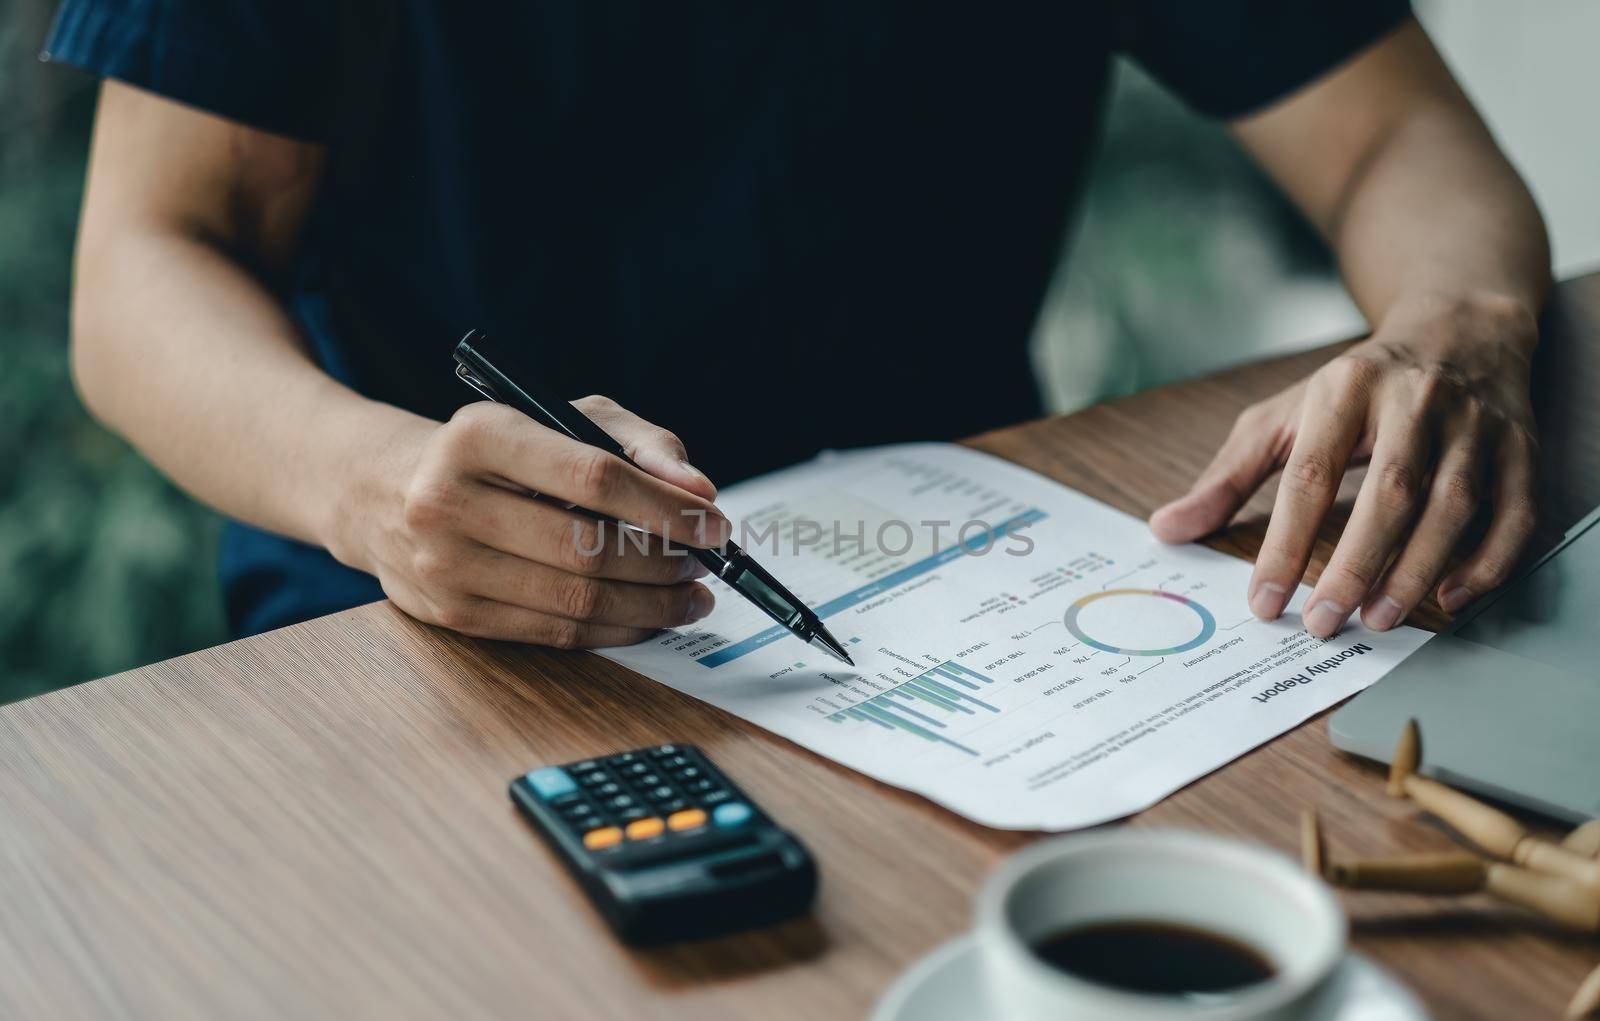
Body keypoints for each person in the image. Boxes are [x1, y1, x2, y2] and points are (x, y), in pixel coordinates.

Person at [45, 1, 1550, 650]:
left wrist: (1454, 333)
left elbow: (1392, 139)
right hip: (419, 589)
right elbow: (143, 262)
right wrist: (371, 486)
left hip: (956, 565)